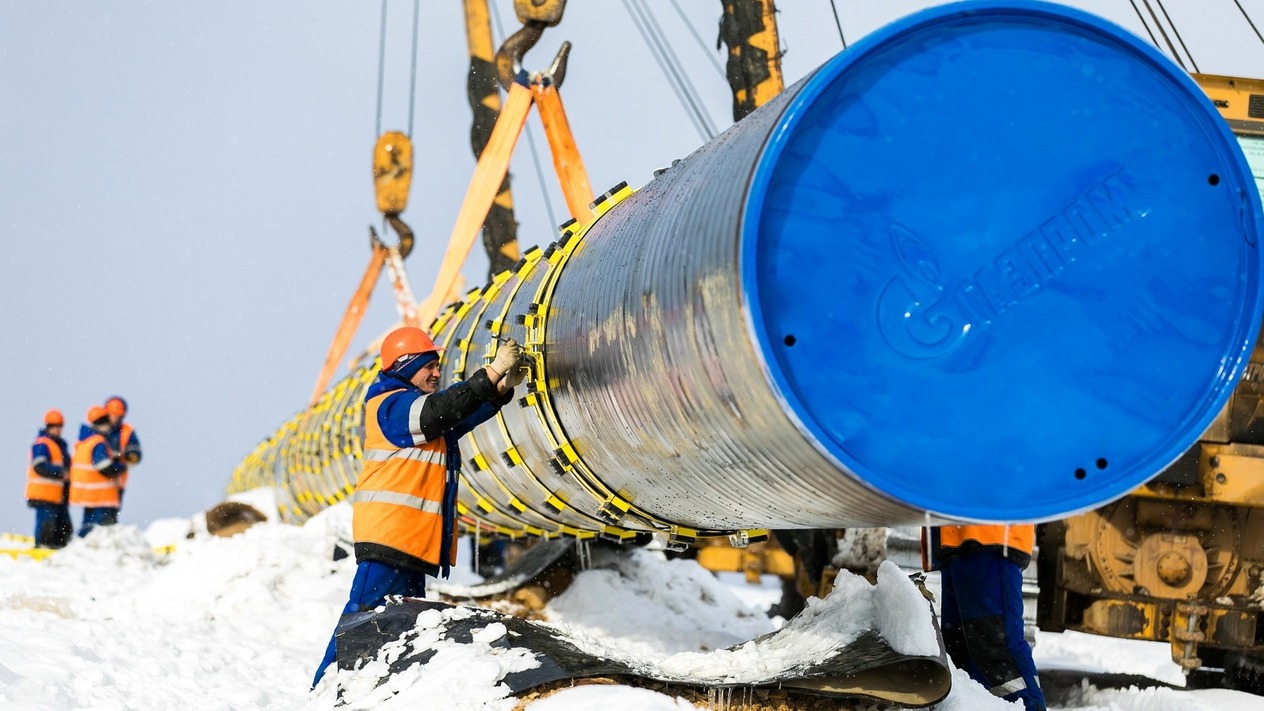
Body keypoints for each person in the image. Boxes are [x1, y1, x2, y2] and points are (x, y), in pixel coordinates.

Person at [312, 326, 526, 687]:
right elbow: (442, 410)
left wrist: (500, 390)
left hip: (410, 543)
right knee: (363, 620)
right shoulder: (391, 403)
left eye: (437, 365)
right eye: (428, 365)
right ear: (405, 365)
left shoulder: (416, 415)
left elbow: (456, 419)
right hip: (389, 538)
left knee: (404, 628)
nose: (436, 372)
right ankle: (325, 691)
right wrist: (490, 373)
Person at [922, 524, 1046, 711]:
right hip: (956, 540)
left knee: (997, 652)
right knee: (960, 662)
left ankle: (1027, 706)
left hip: (987, 533)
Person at [69, 406, 126, 537]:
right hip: (101, 496)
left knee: (88, 527)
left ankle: (80, 547)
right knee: (104, 531)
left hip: (87, 494)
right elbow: (103, 466)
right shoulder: (99, 442)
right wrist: (121, 467)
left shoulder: (84, 442)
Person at [25, 409, 74, 548]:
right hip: (44, 494)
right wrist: (60, 472)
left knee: (64, 527)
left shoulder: (60, 445)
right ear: (48, 426)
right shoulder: (42, 444)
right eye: (54, 427)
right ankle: (41, 548)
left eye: (59, 426)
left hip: (58, 495)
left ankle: (59, 548)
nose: (57, 430)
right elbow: (39, 466)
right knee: (47, 525)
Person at [102, 395, 141, 504]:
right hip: (96, 484)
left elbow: (135, 453)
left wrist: (128, 458)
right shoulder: (97, 431)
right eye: (113, 415)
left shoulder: (127, 431)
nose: (115, 419)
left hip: (117, 482)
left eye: (118, 416)